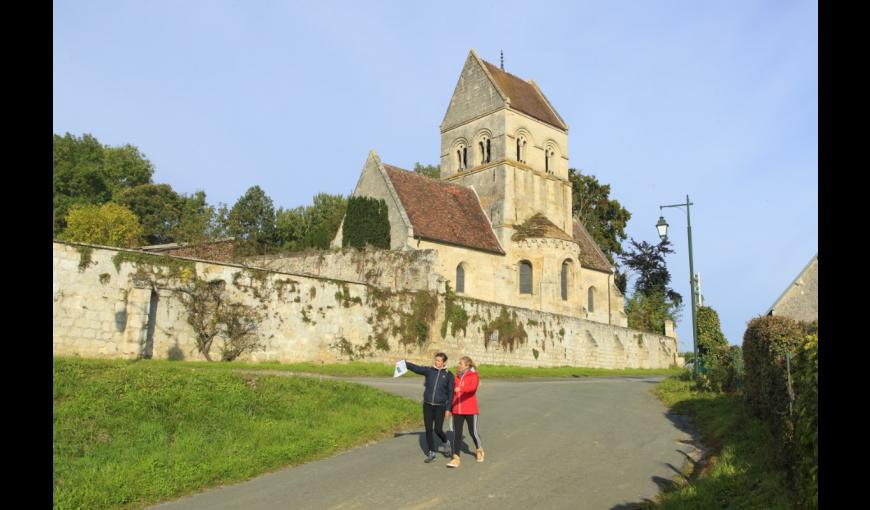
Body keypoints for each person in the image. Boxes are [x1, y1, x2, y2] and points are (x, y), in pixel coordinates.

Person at [403, 353, 455, 463]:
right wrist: (406, 364)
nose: (437, 362)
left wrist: (448, 409)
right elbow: (417, 368)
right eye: (436, 360)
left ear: (444, 362)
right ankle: (432, 452)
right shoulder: (429, 371)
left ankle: (446, 442)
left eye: (439, 361)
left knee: (438, 429)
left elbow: (451, 393)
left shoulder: (449, 375)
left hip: (440, 406)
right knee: (428, 429)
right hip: (427, 405)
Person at [447, 356, 484, 468]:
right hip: (457, 409)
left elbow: (472, 388)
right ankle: (456, 458)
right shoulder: (457, 377)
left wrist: (461, 389)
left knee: (473, 432)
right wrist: (449, 408)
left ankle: (479, 449)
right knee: (456, 434)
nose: (459, 365)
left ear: (467, 365)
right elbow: (452, 393)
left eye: (461, 363)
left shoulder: (474, 375)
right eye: (459, 363)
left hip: (471, 410)